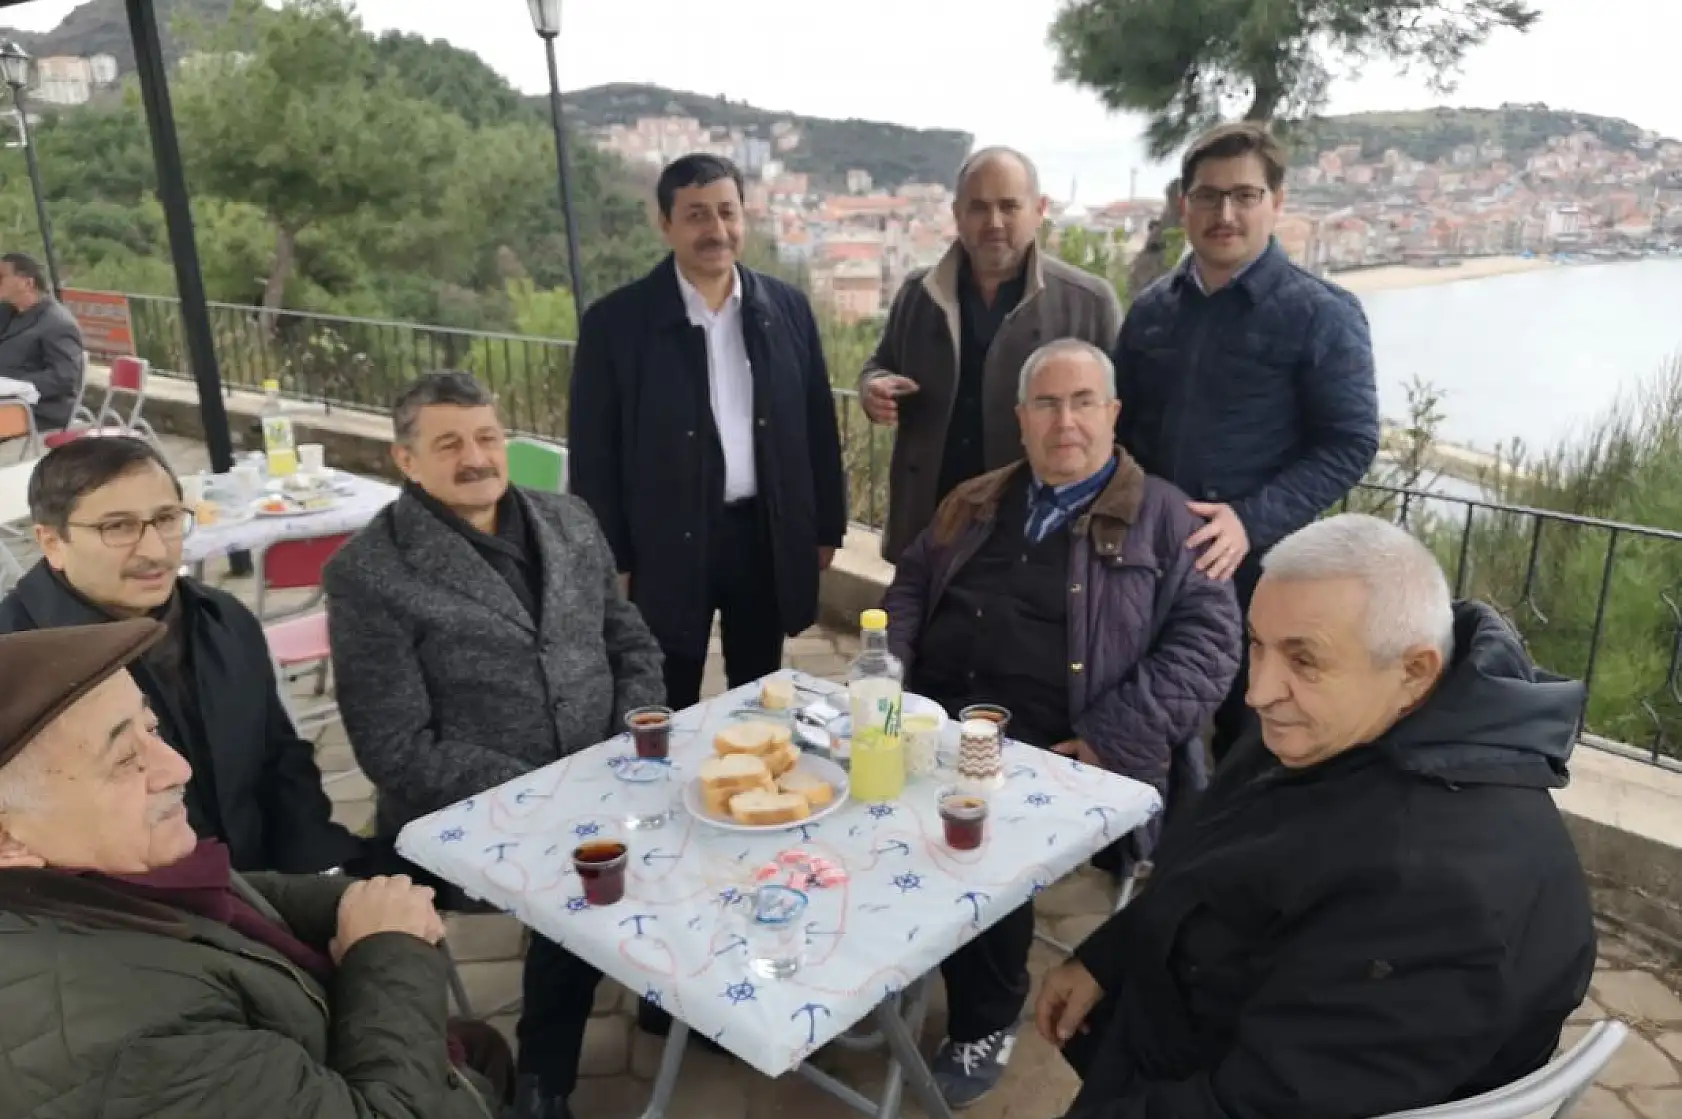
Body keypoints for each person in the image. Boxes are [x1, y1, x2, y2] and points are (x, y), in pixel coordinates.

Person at [942, 514, 1597, 1119]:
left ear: (1414, 670)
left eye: (1302, 659)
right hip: (1280, 1091)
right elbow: (1219, 855)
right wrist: (1112, 953)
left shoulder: (1433, 888)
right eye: (1257, 644)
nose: (1257, 691)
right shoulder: (1347, 726)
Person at [0, 620, 683, 1119]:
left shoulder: (89, 882)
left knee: (478, 1049)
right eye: (124, 758)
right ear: (8, 837)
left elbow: (241, 897)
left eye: (151, 729)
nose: (175, 767)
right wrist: (388, 948)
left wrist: (366, 902)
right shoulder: (119, 1043)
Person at [883, 338, 1240, 1107]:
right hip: (935, 723)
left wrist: (1111, 738)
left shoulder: (1170, 522)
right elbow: (912, 578)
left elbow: (1211, 649)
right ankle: (898, 945)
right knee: (858, 791)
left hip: (1060, 748)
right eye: (1047, 403)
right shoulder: (976, 498)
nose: (1065, 421)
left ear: (1112, 414)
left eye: (1083, 402)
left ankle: (986, 1013)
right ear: (1021, 419)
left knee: (978, 839)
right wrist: (896, 677)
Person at [324, 370, 667, 1119]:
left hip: (606, 765)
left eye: (486, 436)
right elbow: (393, 747)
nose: (475, 457)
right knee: (581, 877)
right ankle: (543, 1080)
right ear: (406, 461)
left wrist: (638, 727)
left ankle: (666, 995)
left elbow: (628, 638)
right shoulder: (369, 573)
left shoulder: (571, 520)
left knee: (691, 830)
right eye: (448, 444)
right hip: (472, 811)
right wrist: (553, 792)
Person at [1111, 122, 1380, 760]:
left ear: (1276, 203)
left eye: (1245, 196)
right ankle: (1146, 851)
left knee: (1252, 736)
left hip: (1262, 575)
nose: (1224, 213)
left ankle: (1235, 860)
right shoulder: (1151, 312)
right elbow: (1120, 431)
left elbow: (1350, 442)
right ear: (1185, 205)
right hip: (1151, 564)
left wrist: (1247, 520)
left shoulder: (1323, 314)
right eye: (1207, 196)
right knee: (1144, 716)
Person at [0, 436, 363, 874]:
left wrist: (318, 876)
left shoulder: (223, 618)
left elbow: (280, 760)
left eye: (167, 518)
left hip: (264, 895)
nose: (155, 550)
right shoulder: (14, 666)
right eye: (117, 527)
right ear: (51, 542)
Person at [569, 152, 848, 715]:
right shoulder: (616, 324)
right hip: (665, 542)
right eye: (697, 215)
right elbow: (595, 458)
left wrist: (824, 529)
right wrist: (611, 559)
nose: (716, 231)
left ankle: (753, 788)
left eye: (727, 213)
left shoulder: (787, 309)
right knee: (660, 691)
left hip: (762, 533)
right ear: (665, 224)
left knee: (759, 690)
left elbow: (818, 423)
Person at [860, 147, 1124, 565]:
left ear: (1039, 210)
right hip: (932, 520)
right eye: (979, 207)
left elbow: (1118, 421)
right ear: (957, 214)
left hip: (1036, 528)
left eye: (1009, 206)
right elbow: (881, 362)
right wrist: (872, 388)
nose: (994, 222)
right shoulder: (918, 294)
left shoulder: (1086, 303)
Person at [0, 252, 83, 431]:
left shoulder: (58, 323)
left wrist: (15, 386)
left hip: (36, 409)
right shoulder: (7, 311)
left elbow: (64, 377)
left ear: (27, 283)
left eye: (2, 276)